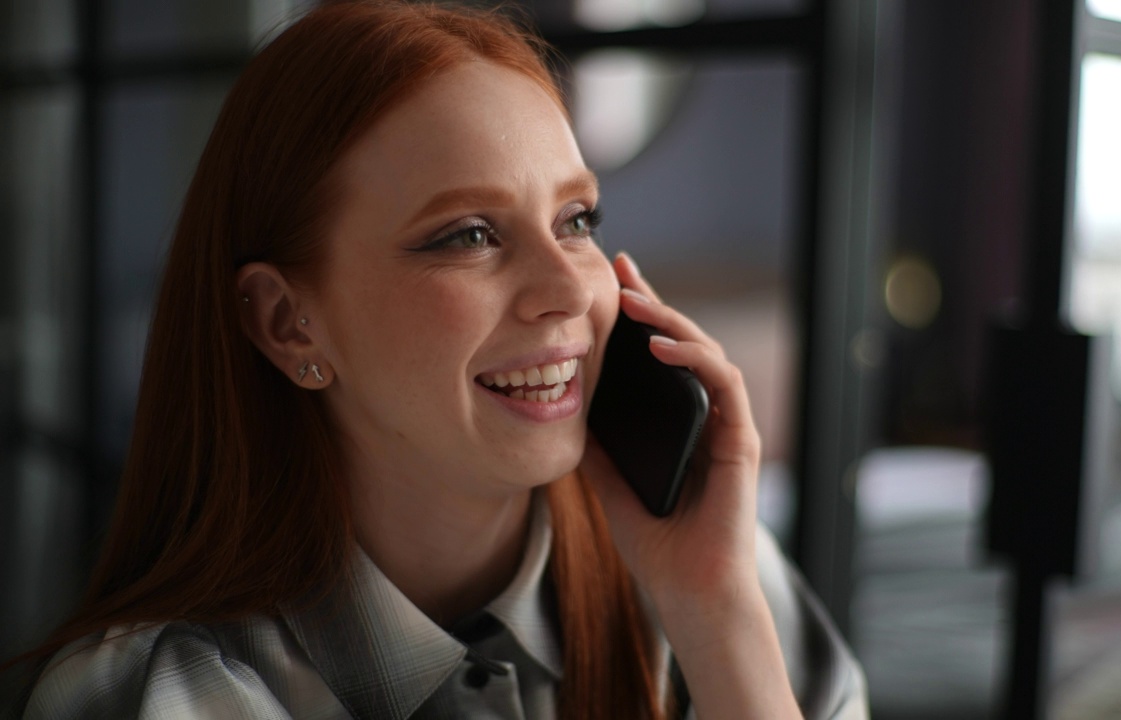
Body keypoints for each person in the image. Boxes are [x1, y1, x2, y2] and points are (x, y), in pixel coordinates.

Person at [10, 1, 867, 717]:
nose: (568, 291)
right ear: (287, 323)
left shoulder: (717, 581)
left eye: (576, 222)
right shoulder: (167, 695)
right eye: (469, 235)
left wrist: (718, 620)